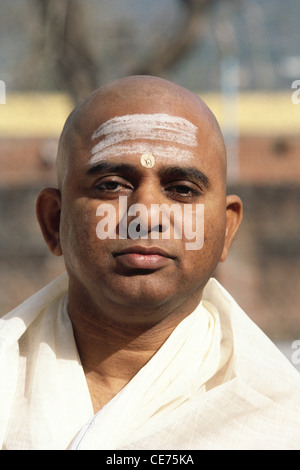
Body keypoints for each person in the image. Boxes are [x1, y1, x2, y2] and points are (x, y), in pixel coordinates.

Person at [1, 75, 300, 450]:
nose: (145, 214)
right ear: (53, 222)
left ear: (226, 230)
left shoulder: (280, 420)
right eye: (112, 185)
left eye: (182, 189)